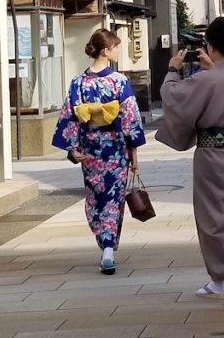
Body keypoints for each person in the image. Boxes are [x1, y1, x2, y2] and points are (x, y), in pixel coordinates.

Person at [156, 17, 224, 305]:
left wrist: (172, 70)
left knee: (211, 218)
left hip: (211, 155)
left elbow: (174, 97)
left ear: (210, 46)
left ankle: (218, 280)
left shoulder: (204, 79)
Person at [52, 29, 146, 275]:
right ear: (106, 50)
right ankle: (108, 247)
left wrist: (73, 148)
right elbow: (129, 119)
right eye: (115, 47)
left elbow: (70, 116)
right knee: (112, 198)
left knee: (95, 197)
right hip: (115, 148)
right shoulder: (119, 81)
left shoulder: (78, 82)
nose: (117, 51)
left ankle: (103, 242)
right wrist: (134, 154)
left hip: (90, 148)